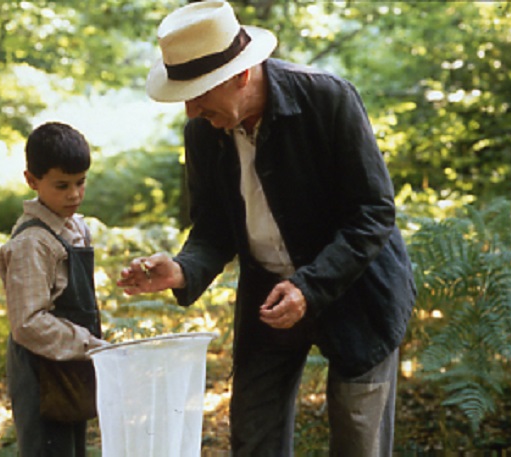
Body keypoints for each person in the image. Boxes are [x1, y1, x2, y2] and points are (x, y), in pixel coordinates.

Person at [117, 2, 417, 456]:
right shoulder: (203, 131)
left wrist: (308, 288)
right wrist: (181, 269)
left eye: (199, 92)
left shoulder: (327, 99)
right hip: (267, 295)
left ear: (241, 75)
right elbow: (213, 227)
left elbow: (373, 212)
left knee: (360, 436)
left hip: (358, 290)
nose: (191, 109)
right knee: (253, 434)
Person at [0, 121, 107, 457]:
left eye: (80, 183)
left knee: (73, 448)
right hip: (40, 371)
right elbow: (27, 323)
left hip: (71, 365)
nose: (73, 194)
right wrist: (89, 344)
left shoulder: (75, 229)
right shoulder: (32, 243)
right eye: (61, 185)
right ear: (32, 180)